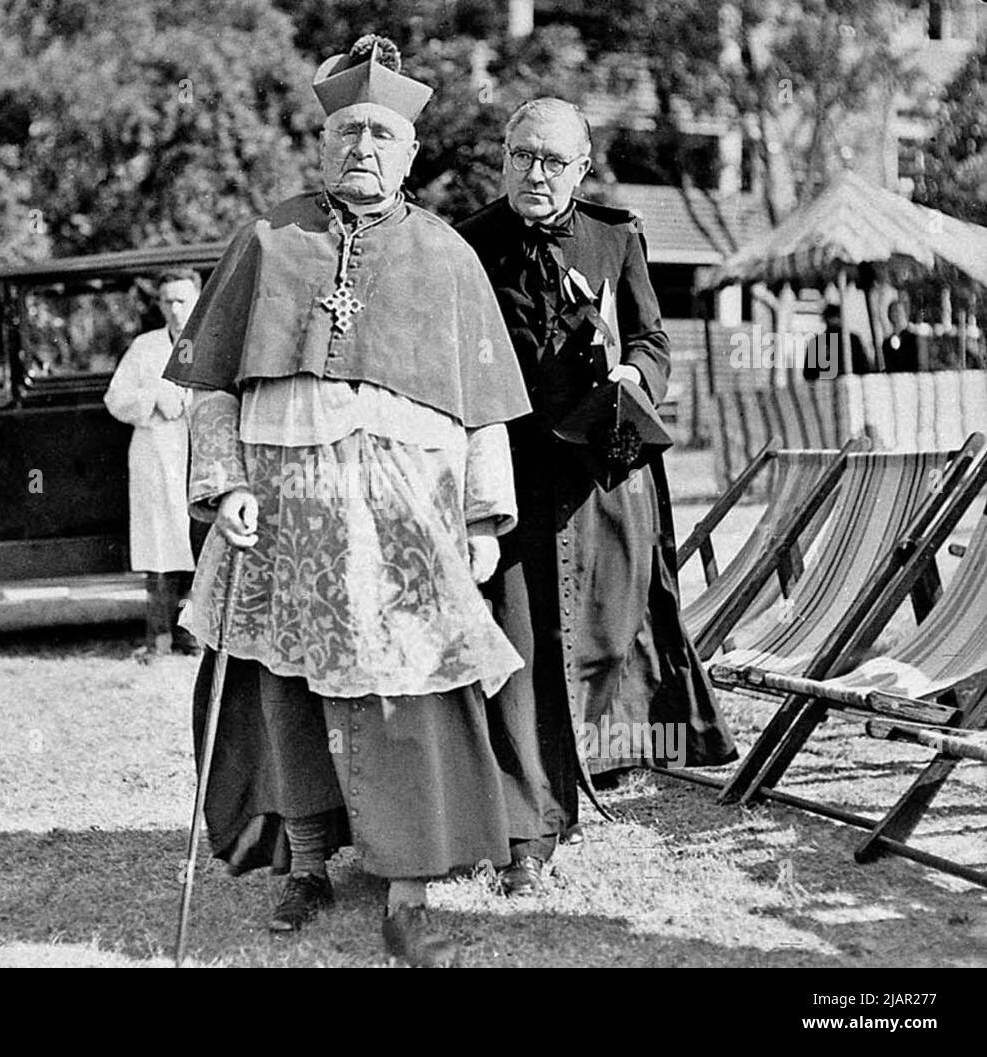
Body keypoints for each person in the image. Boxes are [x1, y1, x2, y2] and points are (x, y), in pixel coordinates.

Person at [163, 35, 531, 967]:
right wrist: (226, 482)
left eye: (381, 133)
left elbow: (484, 405)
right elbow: (211, 386)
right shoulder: (267, 238)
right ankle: (308, 859)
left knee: (407, 690)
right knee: (285, 687)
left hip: (403, 513)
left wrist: (486, 516)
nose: (362, 146)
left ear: (409, 152)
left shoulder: (445, 252)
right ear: (322, 140)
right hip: (284, 509)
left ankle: (409, 885)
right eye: (347, 130)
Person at [457, 98, 738, 897]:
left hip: (606, 478)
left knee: (608, 641)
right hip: (512, 477)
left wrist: (634, 374)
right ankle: (531, 831)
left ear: (582, 169)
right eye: (520, 156)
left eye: (551, 160)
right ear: (503, 160)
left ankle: (597, 773)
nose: (533, 173)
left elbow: (654, 339)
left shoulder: (617, 237)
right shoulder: (468, 245)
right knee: (525, 650)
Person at [104, 269, 202, 656]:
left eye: (183, 300)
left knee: (198, 543)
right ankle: (159, 636)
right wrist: (154, 397)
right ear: (160, 304)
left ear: (197, 300)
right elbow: (116, 398)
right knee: (160, 543)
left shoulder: (212, 341)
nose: (176, 310)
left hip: (198, 451)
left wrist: (191, 403)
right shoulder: (145, 348)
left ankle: (193, 634)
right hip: (157, 452)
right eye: (169, 301)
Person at [803, 303, 873, 381]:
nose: (834, 321)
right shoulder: (851, 339)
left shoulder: (852, 340)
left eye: (836, 317)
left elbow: (809, 375)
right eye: (833, 317)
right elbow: (809, 374)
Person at [880, 301, 920, 373]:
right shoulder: (886, 343)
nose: (896, 314)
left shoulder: (913, 339)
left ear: (905, 314)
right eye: (893, 311)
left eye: (899, 311)